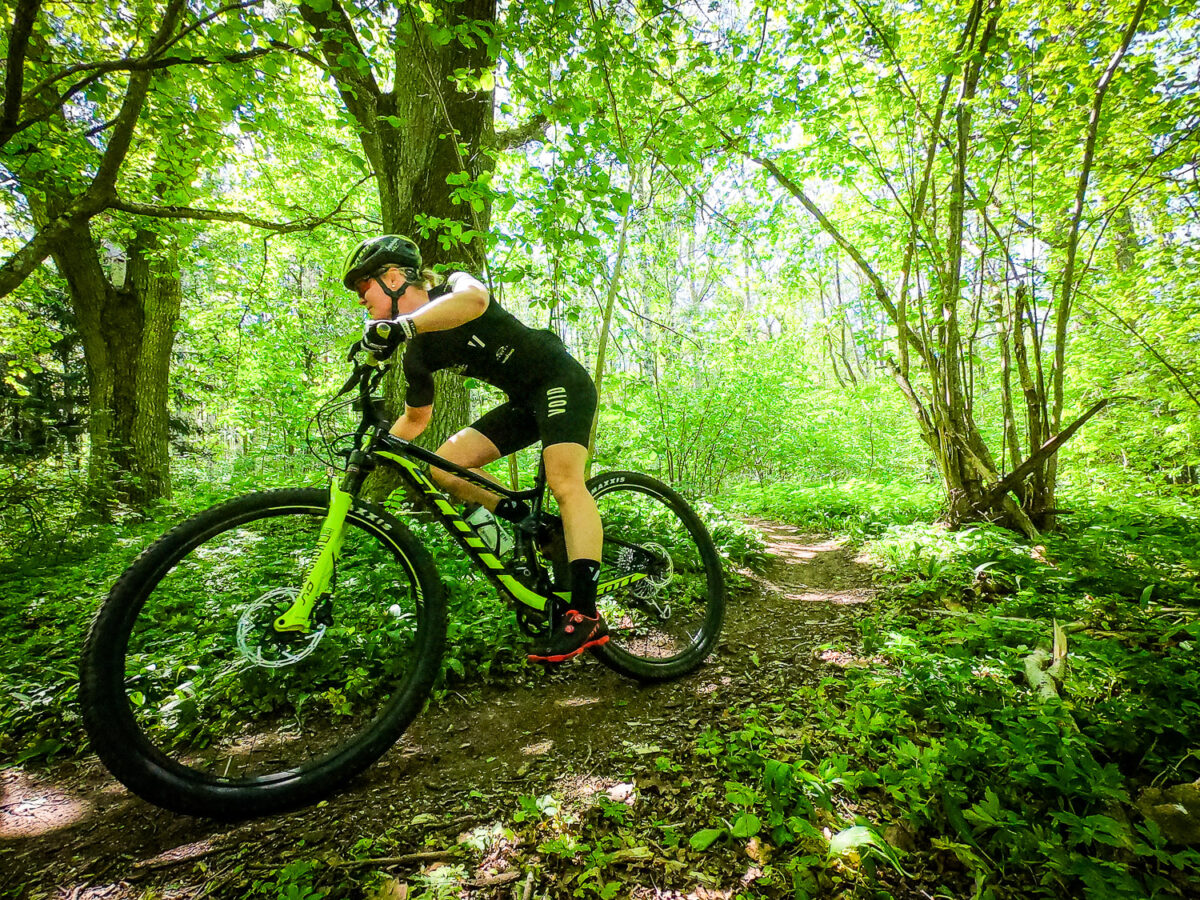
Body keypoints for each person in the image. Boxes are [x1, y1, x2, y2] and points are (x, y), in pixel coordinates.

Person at [341, 234, 607, 663]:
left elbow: (476, 302)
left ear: (392, 277)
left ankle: (586, 613)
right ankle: (538, 527)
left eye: (362, 288)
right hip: (523, 402)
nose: (360, 300)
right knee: (445, 468)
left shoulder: (453, 285)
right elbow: (416, 419)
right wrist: (375, 450)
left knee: (563, 478)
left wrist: (403, 326)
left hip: (560, 381)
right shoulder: (416, 357)